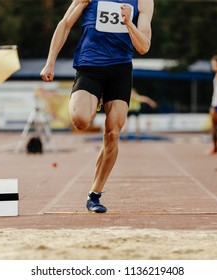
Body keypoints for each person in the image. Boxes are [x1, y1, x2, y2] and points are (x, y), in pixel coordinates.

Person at [40, 0, 154, 213]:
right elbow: (65, 24)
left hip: (120, 70)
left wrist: (129, 23)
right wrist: (50, 62)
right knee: (81, 121)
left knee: (112, 134)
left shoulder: (143, 2)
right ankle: (93, 99)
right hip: (90, 66)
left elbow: (144, 46)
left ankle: (94, 194)